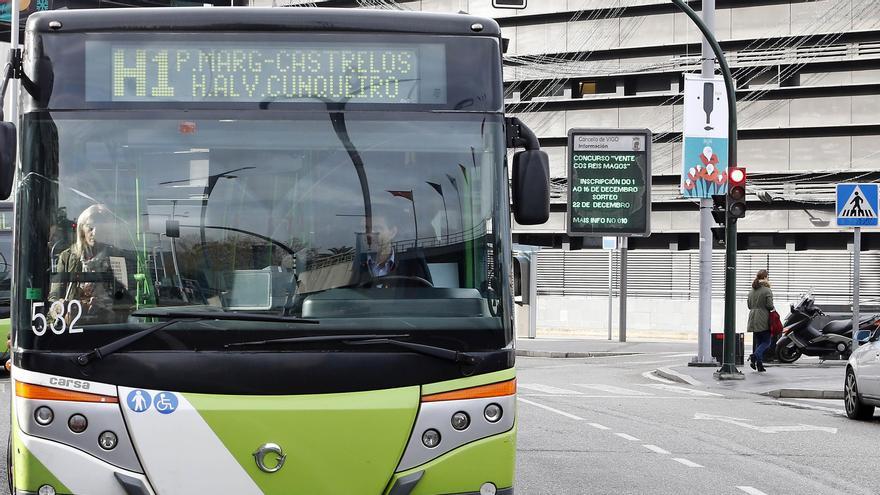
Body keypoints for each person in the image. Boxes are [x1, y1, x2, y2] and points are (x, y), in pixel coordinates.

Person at [49, 204, 128, 323]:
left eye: (100, 227)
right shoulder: (67, 257)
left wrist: (107, 303)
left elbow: (127, 298)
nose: (95, 233)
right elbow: (54, 296)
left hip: (109, 325)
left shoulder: (116, 256)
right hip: (74, 325)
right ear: (81, 230)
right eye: (90, 227)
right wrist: (61, 307)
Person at [356, 213, 432, 287]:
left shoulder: (412, 263)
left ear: (392, 232)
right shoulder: (351, 264)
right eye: (365, 228)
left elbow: (427, 296)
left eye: (376, 228)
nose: (369, 234)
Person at [747, 269, 774, 372]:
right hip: (763, 317)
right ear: (765, 278)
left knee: (759, 342)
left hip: (753, 317)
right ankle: (754, 356)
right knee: (767, 342)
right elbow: (769, 305)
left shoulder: (751, 290)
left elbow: (749, 306)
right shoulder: (767, 290)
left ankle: (760, 365)